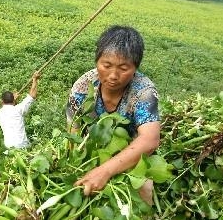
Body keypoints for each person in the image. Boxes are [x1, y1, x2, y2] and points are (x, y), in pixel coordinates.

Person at [66, 25, 160, 205]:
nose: (113, 75)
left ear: (135, 69)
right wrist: (77, 161)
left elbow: (150, 140)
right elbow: (73, 129)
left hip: (131, 151)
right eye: (106, 65)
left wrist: (104, 171)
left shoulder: (144, 91)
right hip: (92, 148)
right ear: (97, 62)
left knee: (144, 187)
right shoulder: (83, 87)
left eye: (124, 68)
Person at [0, 71, 41, 149]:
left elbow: (5, 105)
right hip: (22, 145)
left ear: (2, 101)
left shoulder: (0, 112)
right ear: (13, 101)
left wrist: (14, 100)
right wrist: (35, 80)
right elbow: (32, 95)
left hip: (9, 147)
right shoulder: (18, 109)